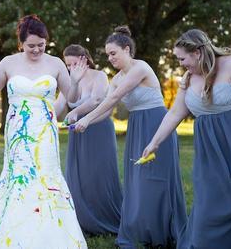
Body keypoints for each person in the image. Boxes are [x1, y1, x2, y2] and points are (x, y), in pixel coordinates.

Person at [0, 15, 88, 249]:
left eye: (41, 45)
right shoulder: (8, 62)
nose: (36, 50)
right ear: (21, 44)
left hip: (46, 133)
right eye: (31, 46)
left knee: (46, 178)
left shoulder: (56, 64)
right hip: (18, 132)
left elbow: (73, 98)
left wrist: (75, 82)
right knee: (19, 179)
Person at [142, 29, 231, 248]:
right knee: (210, 203)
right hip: (212, 155)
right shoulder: (189, 78)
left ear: (198, 52)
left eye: (182, 58)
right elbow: (174, 114)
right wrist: (154, 143)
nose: (180, 64)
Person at [74, 26, 187, 248]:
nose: (110, 58)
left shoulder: (140, 68)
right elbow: (107, 109)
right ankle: (142, 233)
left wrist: (86, 119)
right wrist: (85, 121)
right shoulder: (116, 78)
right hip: (137, 127)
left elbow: (115, 97)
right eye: (107, 54)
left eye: (113, 53)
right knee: (137, 182)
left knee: (156, 179)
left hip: (156, 124)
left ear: (127, 49)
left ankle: (162, 234)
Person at [54, 44, 122, 235]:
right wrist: (42, 114)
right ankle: (83, 221)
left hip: (99, 129)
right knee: (79, 177)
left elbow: (96, 100)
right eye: (67, 65)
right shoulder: (69, 81)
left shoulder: (99, 76)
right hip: (78, 134)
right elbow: (59, 105)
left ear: (84, 59)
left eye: (73, 63)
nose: (70, 68)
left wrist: (75, 111)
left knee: (99, 175)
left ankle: (106, 218)